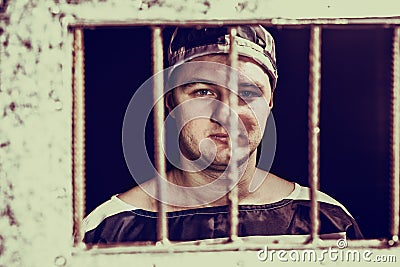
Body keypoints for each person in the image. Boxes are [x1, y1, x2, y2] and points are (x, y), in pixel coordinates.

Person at [82, 25, 363, 244]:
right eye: (204, 92)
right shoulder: (109, 228)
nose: (226, 114)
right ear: (171, 103)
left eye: (248, 93)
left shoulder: (327, 223)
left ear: (270, 103)